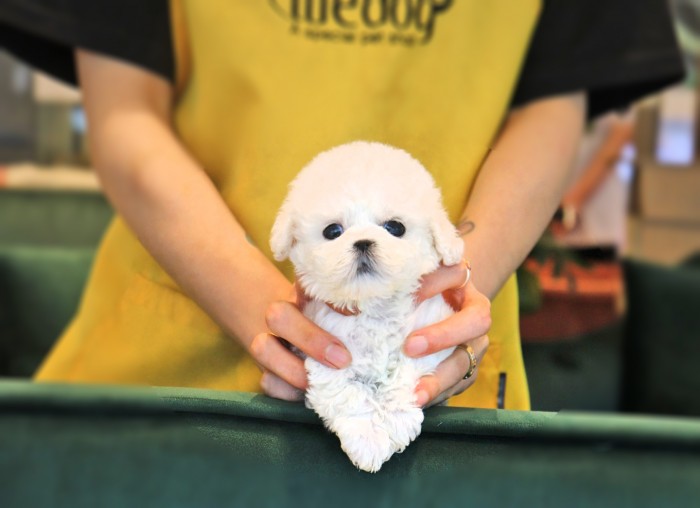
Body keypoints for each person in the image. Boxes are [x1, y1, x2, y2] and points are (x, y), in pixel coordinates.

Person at [0, 0, 684, 409]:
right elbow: (126, 112)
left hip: (431, 388)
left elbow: (553, 105)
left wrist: (439, 306)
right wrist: (279, 319)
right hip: (171, 386)